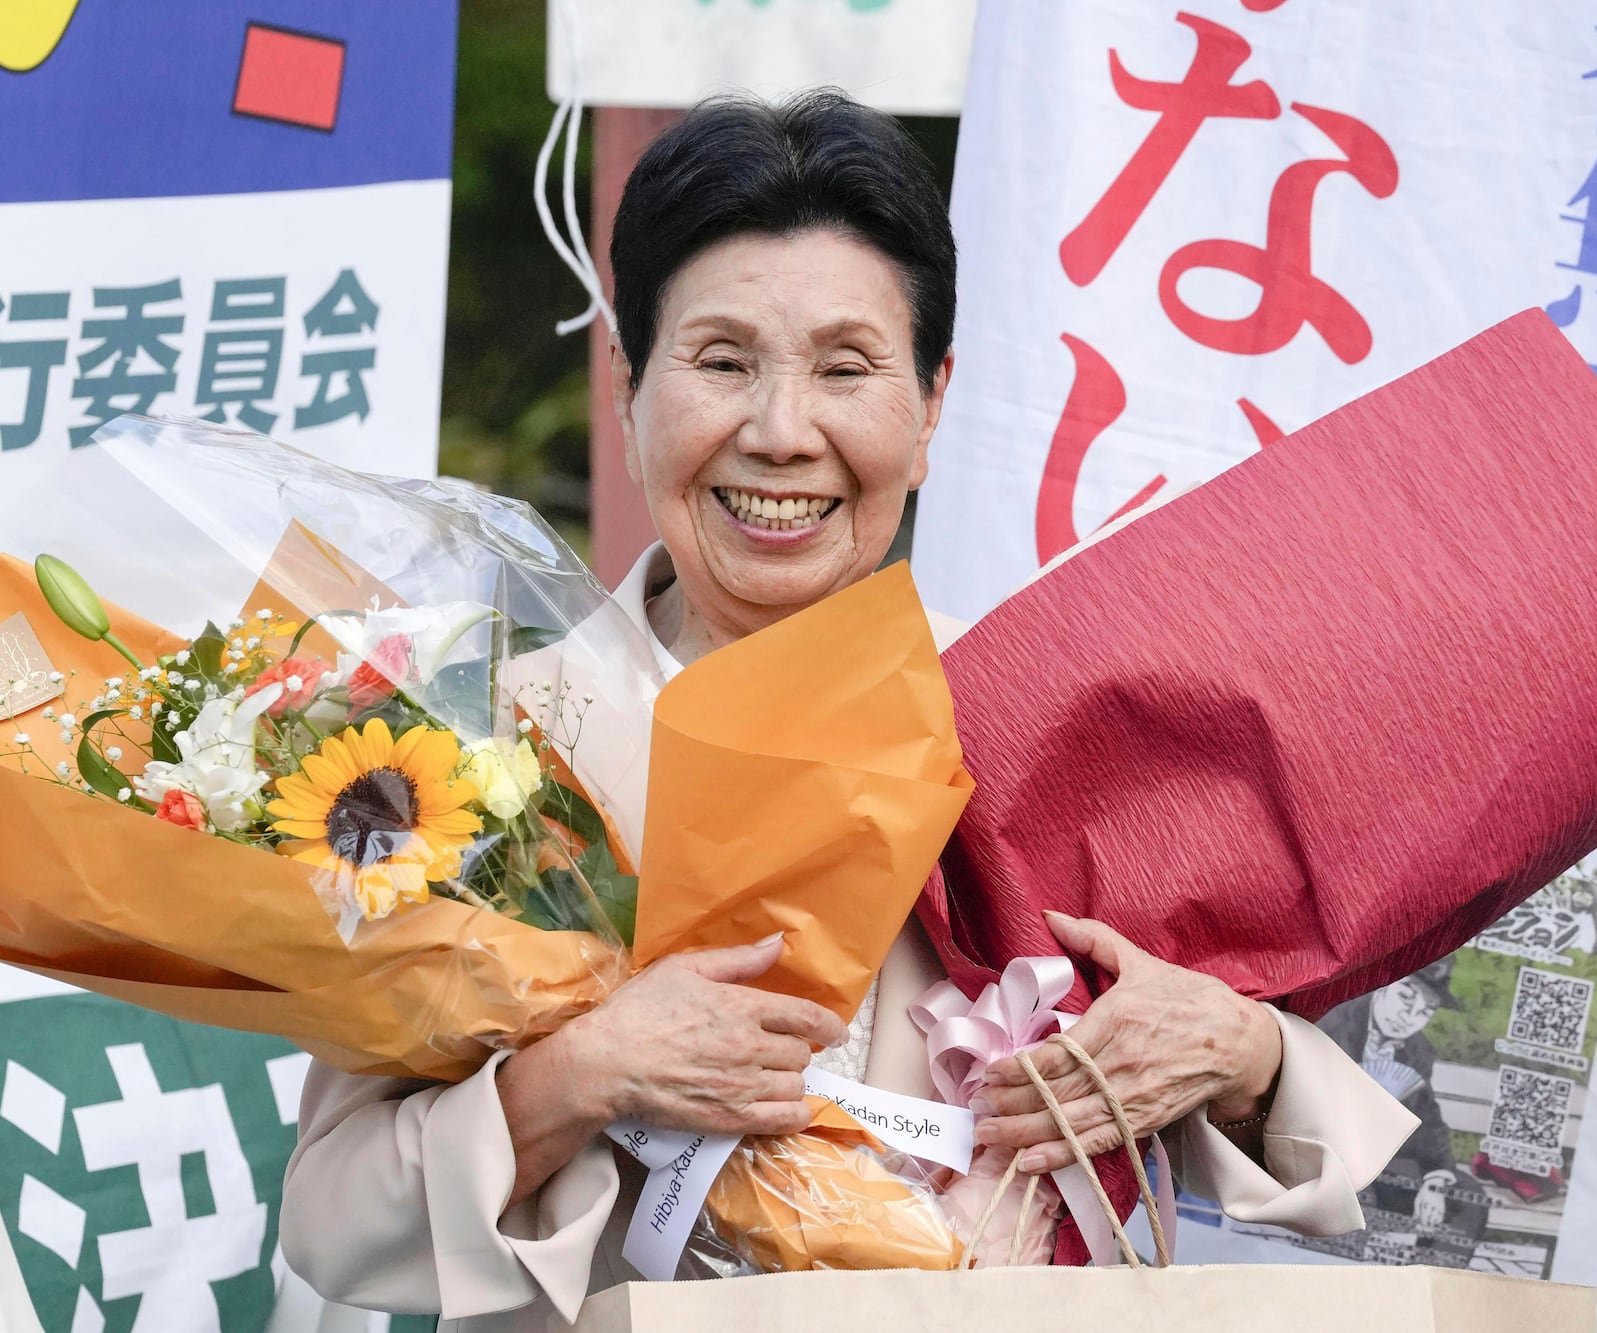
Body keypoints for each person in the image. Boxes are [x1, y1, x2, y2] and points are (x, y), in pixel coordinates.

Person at [281, 91, 1418, 1329]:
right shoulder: (469, 760)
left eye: (846, 369)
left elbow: (1322, 1150)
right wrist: (578, 1075)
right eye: (721, 362)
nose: (780, 433)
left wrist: (1235, 1055)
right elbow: (335, 1218)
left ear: (930, 407)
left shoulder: (1028, 715)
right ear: (626, 384)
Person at [1318, 960, 1462, 1230]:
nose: (1410, 1017)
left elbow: (1426, 1115)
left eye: (1424, 1011)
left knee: (1461, 1200)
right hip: (1315, 1152)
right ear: (1382, 985)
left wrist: (1435, 1181)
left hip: (1379, 1164)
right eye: (1406, 997)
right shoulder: (1332, 1021)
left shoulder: (1418, 1051)